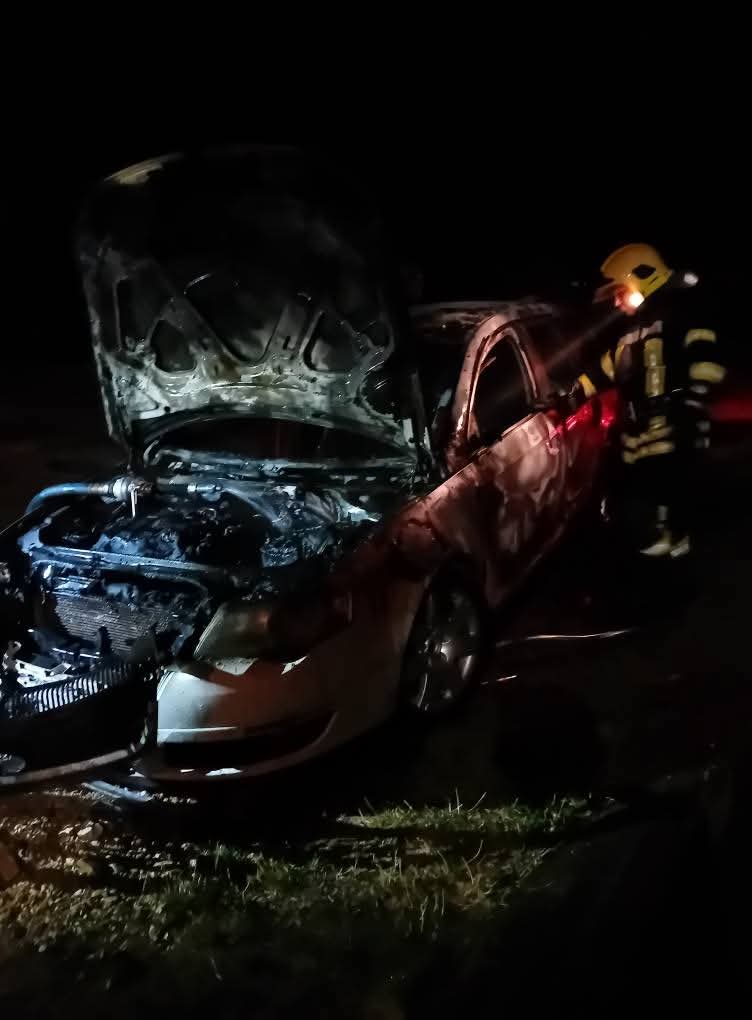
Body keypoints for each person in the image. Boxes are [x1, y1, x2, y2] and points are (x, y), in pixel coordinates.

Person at [576, 243, 725, 576]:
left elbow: (706, 357)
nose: (617, 301)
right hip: (642, 433)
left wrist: (694, 400)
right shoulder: (630, 333)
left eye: (621, 292)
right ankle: (666, 568)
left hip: (674, 427)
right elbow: (604, 371)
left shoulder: (680, 315)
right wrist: (569, 396)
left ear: (642, 278)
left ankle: (681, 569)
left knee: (672, 498)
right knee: (647, 500)